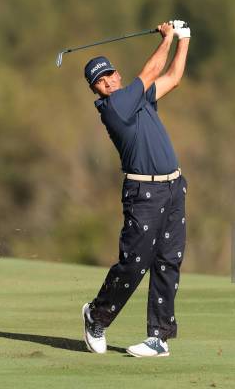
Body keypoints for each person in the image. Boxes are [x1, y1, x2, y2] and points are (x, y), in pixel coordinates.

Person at [81, 20, 190, 358]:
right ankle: (96, 316)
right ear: (96, 89)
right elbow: (155, 66)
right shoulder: (115, 107)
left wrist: (184, 38)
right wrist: (167, 37)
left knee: (168, 261)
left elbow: (172, 77)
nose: (108, 81)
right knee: (134, 263)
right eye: (100, 80)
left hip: (173, 187)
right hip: (143, 193)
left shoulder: (138, 97)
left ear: (116, 74)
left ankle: (158, 338)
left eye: (110, 74)